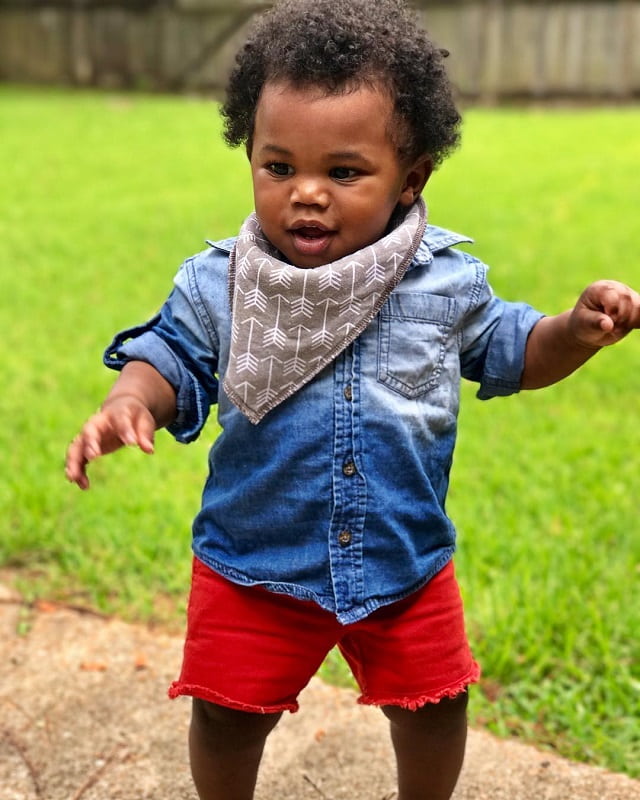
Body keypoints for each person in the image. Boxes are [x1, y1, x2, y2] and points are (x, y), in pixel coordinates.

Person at [65, 1, 640, 798]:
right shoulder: (224, 281)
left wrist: (576, 331)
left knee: (436, 705)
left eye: (342, 172)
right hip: (252, 563)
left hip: (403, 563)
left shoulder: (444, 284)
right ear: (250, 158)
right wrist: (133, 398)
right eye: (278, 166)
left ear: (411, 179)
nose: (306, 194)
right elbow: (170, 352)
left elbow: (515, 351)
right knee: (228, 714)